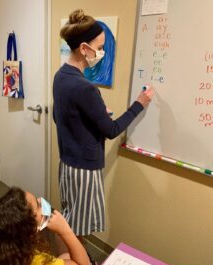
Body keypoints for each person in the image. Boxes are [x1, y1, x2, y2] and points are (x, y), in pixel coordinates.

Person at [53, 9, 154, 237]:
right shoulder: (85, 87)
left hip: (67, 164)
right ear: (83, 49)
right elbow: (111, 130)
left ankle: (65, 264)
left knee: (67, 219)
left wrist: (94, 114)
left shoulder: (61, 76)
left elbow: (61, 115)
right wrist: (139, 103)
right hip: (84, 169)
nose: (102, 52)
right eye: (99, 48)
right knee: (75, 229)